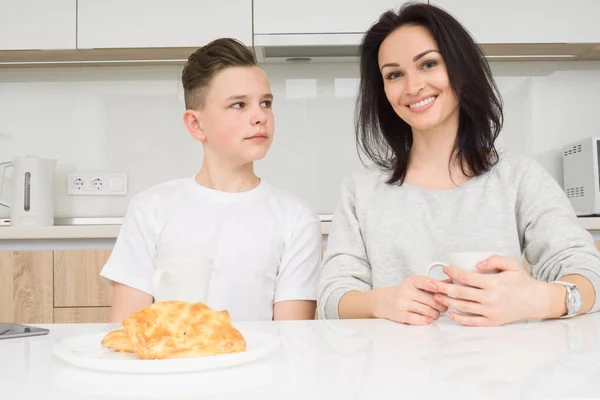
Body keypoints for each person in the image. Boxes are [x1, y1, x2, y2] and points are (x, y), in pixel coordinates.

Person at [317, 3, 600, 326]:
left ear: (460, 69)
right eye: (394, 74)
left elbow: (588, 272)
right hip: (393, 371)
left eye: (428, 64)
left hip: (501, 371)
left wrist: (540, 298)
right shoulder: (360, 191)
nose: (412, 87)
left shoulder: (518, 177)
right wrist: (381, 301)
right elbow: (331, 298)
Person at [101, 38, 322, 322]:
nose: (259, 116)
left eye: (266, 103)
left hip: (263, 367)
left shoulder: (297, 218)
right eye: (239, 104)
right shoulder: (150, 209)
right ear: (196, 124)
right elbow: (127, 330)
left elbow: (292, 339)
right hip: (168, 365)